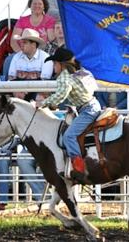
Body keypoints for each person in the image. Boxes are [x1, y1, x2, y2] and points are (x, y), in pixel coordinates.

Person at [42, 47, 101, 181]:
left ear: (61, 64)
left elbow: (61, 95)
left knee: (69, 136)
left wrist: (43, 103)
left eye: (54, 63)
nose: (53, 67)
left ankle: (79, 168)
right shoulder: (81, 72)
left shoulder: (64, 77)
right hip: (91, 106)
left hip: (87, 110)